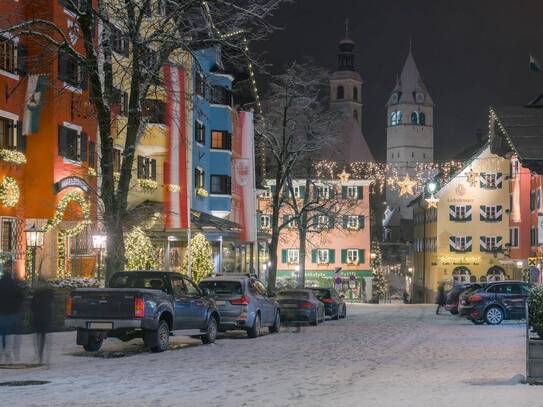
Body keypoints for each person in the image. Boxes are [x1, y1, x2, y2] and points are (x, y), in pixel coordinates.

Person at [0, 272, 23, 363]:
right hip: (12, 312)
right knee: (10, 333)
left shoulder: (0, 283)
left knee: (2, 334)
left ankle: (1, 353)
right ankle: (8, 356)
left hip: (1, 312)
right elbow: (20, 298)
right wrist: (16, 308)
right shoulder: (15, 284)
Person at [30, 279, 55, 365]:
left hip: (37, 318)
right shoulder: (49, 293)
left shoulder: (36, 293)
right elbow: (52, 303)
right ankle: (44, 357)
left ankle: (40, 355)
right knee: (44, 337)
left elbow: (32, 307)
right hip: (46, 318)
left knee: (38, 337)